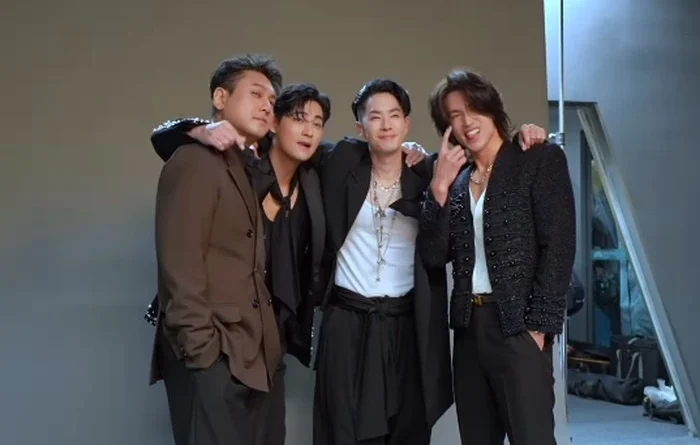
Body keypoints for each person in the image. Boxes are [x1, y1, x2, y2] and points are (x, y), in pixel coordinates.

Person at [149, 78, 548, 445]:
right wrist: (196, 129)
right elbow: (282, 142)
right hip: (347, 323)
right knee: (341, 431)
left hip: (408, 325)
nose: (385, 125)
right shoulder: (339, 161)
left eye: (394, 116)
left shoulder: (430, 170)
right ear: (360, 127)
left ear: (407, 124)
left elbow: (481, 169)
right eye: (375, 117)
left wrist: (522, 138)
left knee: (408, 431)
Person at [419, 68, 576, 445]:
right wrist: (438, 189)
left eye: (473, 108)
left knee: (532, 438)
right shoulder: (457, 181)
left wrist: (538, 328)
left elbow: (558, 246)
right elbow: (434, 255)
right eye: (455, 115)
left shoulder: (536, 159)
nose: (467, 122)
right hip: (469, 331)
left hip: (519, 326)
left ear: (492, 108)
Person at [148, 53, 283, 445]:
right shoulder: (194, 160)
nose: (266, 105)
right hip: (212, 357)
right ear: (220, 98)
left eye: (271, 100)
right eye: (256, 94)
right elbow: (179, 263)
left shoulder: (247, 166)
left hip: (253, 358)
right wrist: (203, 354)